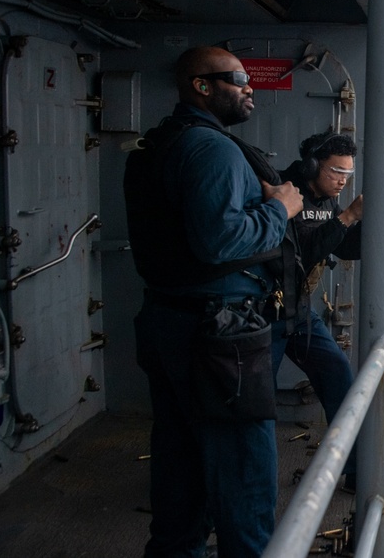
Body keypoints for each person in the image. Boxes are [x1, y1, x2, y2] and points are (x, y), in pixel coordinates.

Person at [123, 46, 303, 558]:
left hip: (169, 323)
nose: (251, 87)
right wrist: (282, 209)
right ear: (201, 86)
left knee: (180, 468)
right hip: (219, 339)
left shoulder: (160, 144)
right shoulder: (212, 150)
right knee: (245, 477)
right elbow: (220, 242)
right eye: (239, 78)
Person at [271, 133, 362, 484]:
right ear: (312, 165)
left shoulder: (327, 200)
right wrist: (349, 216)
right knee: (255, 403)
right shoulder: (285, 193)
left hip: (299, 310)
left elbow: (342, 247)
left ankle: (354, 469)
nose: (342, 180)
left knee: (338, 374)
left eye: (347, 174)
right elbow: (302, 251)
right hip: (268, 314)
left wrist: (373, 225)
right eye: (336, 171)